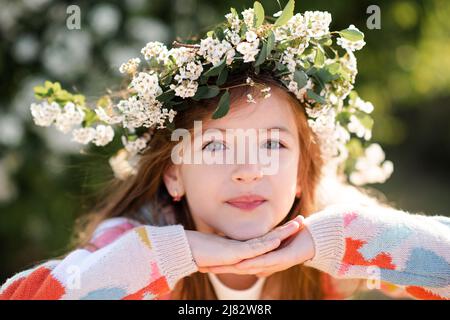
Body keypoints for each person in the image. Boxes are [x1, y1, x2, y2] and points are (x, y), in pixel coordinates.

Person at [1, 1, 449, 300]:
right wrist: (174, 255)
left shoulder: (331, 237)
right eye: (214, 147)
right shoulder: (131, 248)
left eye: (273, 144)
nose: (249, 170)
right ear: (173, 174)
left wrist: (340, 240)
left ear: (300, 172)